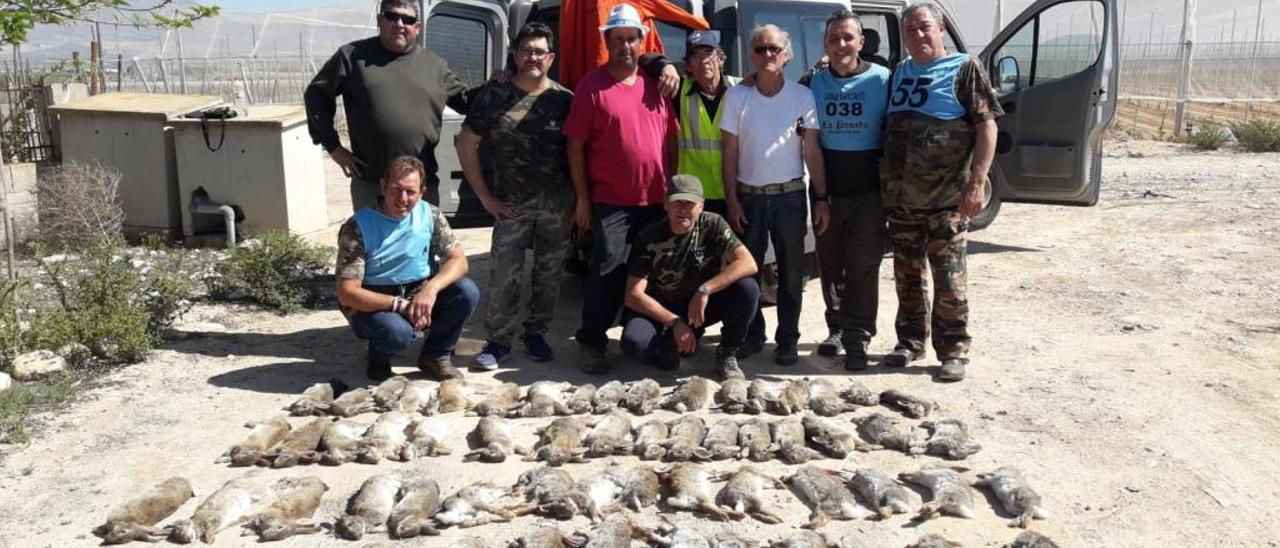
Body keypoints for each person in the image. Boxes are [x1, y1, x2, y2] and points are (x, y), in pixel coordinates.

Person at [879, 2, 1003, 381]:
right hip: (903, 200)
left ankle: (953, 349)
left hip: (945, 200)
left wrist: (977, 182)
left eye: (924, 27)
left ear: (941, 28)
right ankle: (911, 341)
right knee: (907, 276)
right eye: (910, 30)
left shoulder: (964, 68)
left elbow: (987, 127)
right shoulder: (900, 71)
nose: (917, 35)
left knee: (949, 279)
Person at [564, 3, 679, 375]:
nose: (626, 46)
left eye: (632, 38)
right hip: (612, 202)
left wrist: (671, 188)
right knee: (607, 269)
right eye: (618, 39)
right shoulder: (592, 87)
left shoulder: (657, 87)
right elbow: (575, 146)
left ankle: (643, 335)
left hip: (655, 200)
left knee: (652, 272)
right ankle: (592, 342)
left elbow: (671, 140)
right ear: (607, 42)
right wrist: (583, 198)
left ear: (641, 41)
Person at [456, 22, 575, 370]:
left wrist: (580, 200)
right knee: (504, 274)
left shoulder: (563, 100)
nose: (532, 57)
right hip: (511, 205)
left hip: (557, 205)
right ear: (514, 55)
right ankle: (498, 341)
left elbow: (579, 152)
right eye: (526, 51)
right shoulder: (493, 97)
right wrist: (484, 198)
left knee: (549, 274)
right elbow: (465, 144)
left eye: (539, 51)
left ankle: (536, 334)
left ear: (550, 58)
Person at [721, 24, 830, 366]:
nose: (767, 55)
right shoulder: (738, 95)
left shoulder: (802, 96)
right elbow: (729, 154)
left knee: (791, 274)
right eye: (760, 49)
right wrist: (732, 201)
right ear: (751, 55)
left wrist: (821, 197)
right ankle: (753, 336)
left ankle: (788, 340)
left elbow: (812, 152)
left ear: (786, 55)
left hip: (790, 198)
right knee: (747, 274)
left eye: (774, 49)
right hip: (748, 198)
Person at [305, 0, 474, 211]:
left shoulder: (435, 66)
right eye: (392, 16)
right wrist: (333, 147)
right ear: (379, 20)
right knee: (373, 243)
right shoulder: (353, 57)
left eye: (408, 19)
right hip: (372, 184)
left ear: (417, 27)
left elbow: (468, 101)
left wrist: (503, 83)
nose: (400, 23)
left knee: (423, 243)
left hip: (421, 187)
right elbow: (316, 95)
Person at [335, 156, 479, 381]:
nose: (403, 198)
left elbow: (458, 260)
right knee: (396, 332)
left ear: (422, 191)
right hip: (374, 298)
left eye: (410, 192)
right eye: (396, 189)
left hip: (418, 287)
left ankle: (435, 355)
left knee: (466, 291)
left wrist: (430, 290)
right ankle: (379, 355)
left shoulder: (429, 215)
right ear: (383, 186)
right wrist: (398, 305)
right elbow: (348, 292)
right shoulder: (358, 227)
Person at [802, 10, 891, 370]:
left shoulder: (883, 79)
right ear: (825, 44)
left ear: (861, 42)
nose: (841, 45)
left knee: (863, 266)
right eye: (834, 39)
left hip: (869, 191)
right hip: (827, 190)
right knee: (830, 263)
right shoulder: (813, 82)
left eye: (848, 38)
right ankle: (836, 327)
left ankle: (858, 336)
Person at [621, 175, 759, 380]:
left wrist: (705, 289)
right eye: (677, 203)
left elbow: (748, 263)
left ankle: (727, 352)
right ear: (666, 204)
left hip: (697, 306)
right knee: (635, 344)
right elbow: (633, 295)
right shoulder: (649, 237)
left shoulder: (713, 224)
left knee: (747, 289)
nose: (683, 209)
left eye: (690, 204)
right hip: (660, 309)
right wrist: (674, 322)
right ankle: (669, 345)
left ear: (701, 206)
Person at [640, 31, 741, 216]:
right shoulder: (679, 93)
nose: (703, 61)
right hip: (694, 195)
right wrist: (667, 65)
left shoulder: (741, 90)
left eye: (708, 53)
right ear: (688, 66)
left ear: (721, 59)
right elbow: (644, 59)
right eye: (695, 55)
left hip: (734, 194)